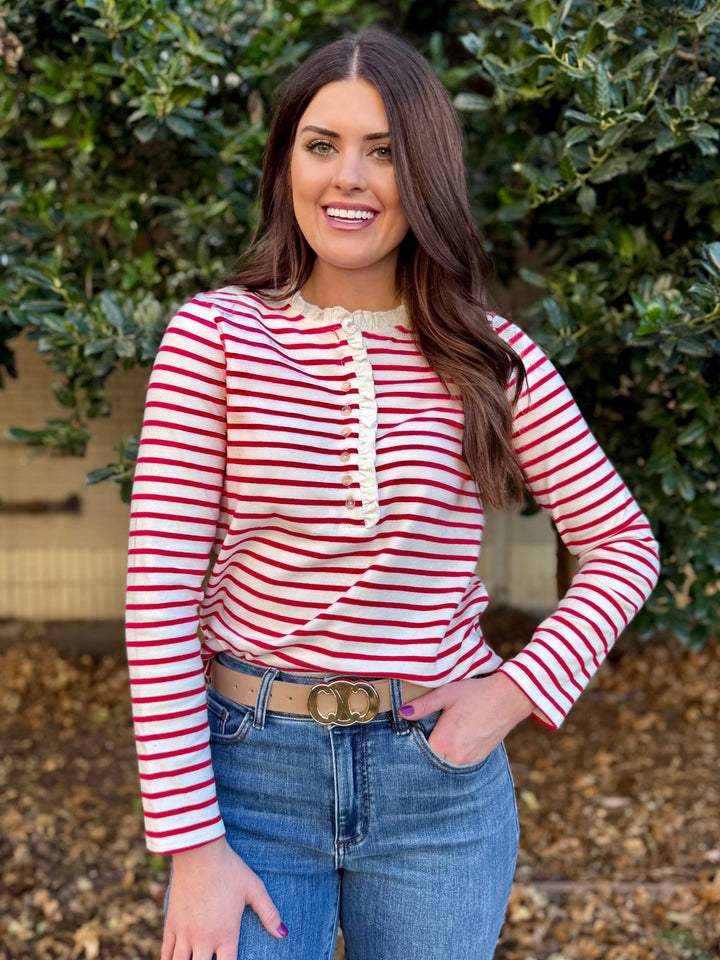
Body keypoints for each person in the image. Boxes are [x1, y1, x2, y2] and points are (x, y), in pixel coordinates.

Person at [125, 28, 660, 960]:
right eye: (321, 144)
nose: (350, 179)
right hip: (248, 776)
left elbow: (624, 545)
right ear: (285, 162)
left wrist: (510, 695)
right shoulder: (215, 337)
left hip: (437, 790)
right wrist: (192, 847)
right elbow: (160, 598)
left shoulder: (490, 356)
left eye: (384, 152)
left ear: (426, 175)